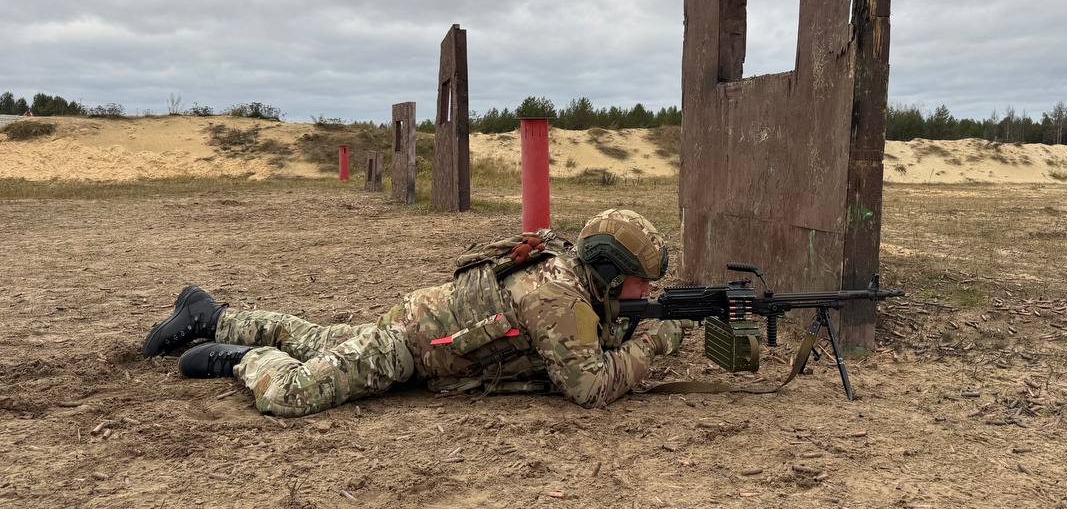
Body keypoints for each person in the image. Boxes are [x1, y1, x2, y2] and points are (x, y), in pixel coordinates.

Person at [142, 209, 688, 417]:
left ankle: (210, 314)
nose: (646, 292)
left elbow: (592, 342)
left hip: (419, 329)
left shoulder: (575, 283)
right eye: (642, 282)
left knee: (313, 339)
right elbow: (589, 387)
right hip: (409, 349)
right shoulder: (559, 300)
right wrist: (654, 344)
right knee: (289, 393)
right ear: (613, 273)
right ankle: (242, 356)